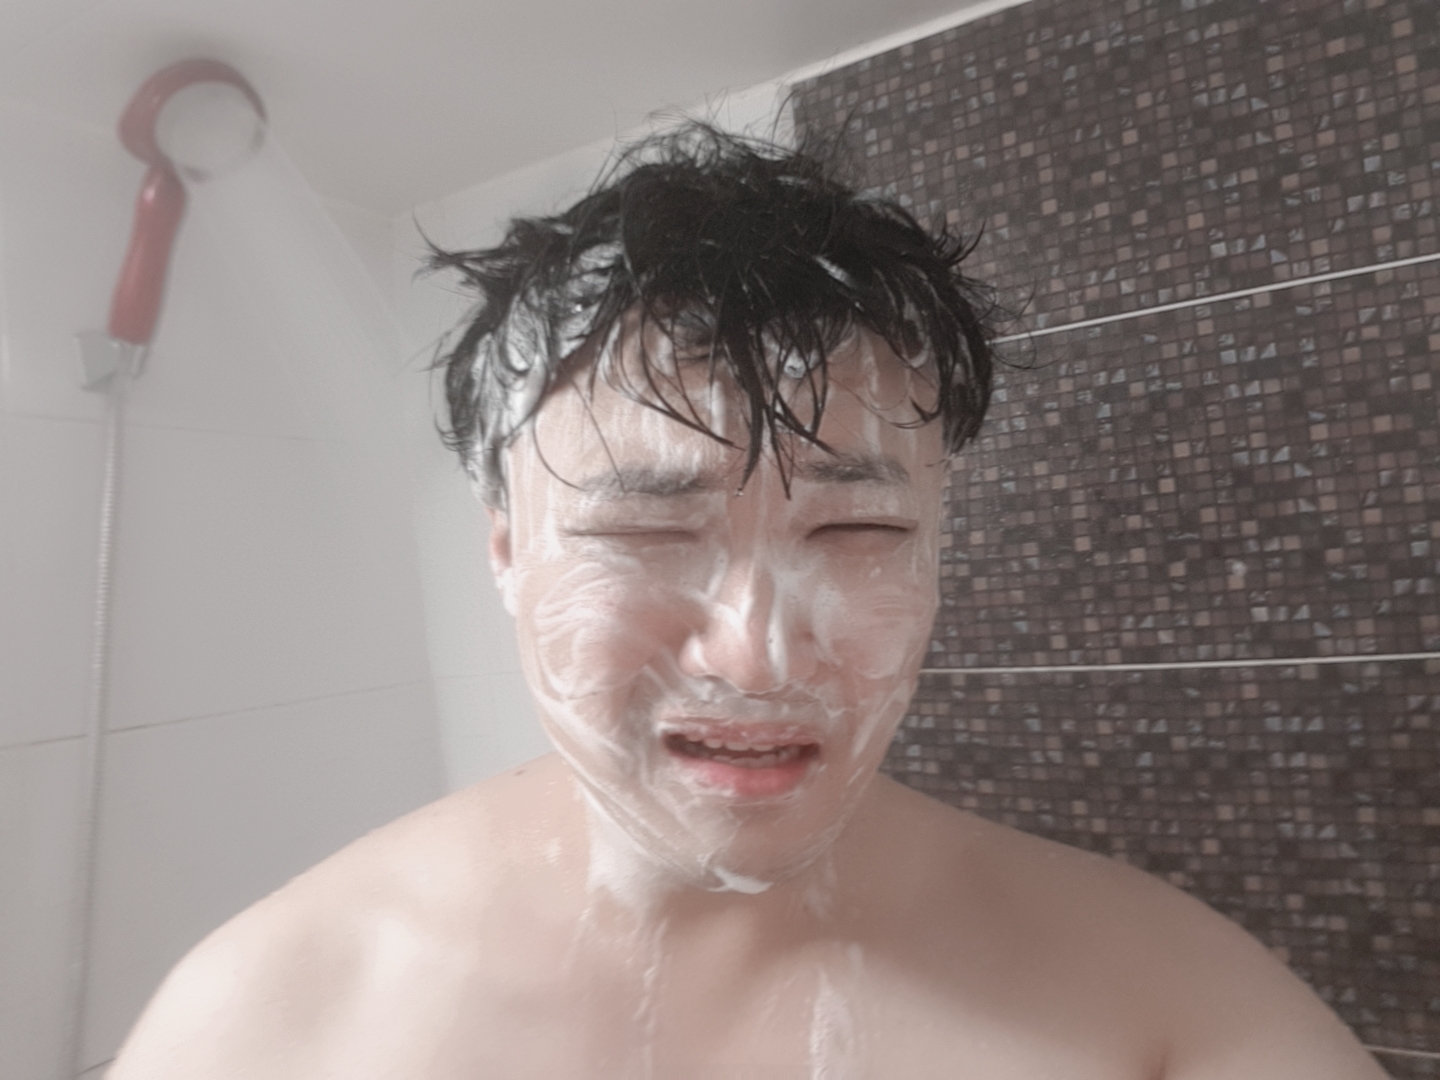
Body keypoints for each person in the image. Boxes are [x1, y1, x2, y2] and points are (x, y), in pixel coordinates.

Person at [110, 125, 1386, 1079]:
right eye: (646, 530)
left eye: (860, 529)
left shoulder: (1160, 1012)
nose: (758, 655)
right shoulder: (267, 1026)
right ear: (505, 547)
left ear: (939, 546)